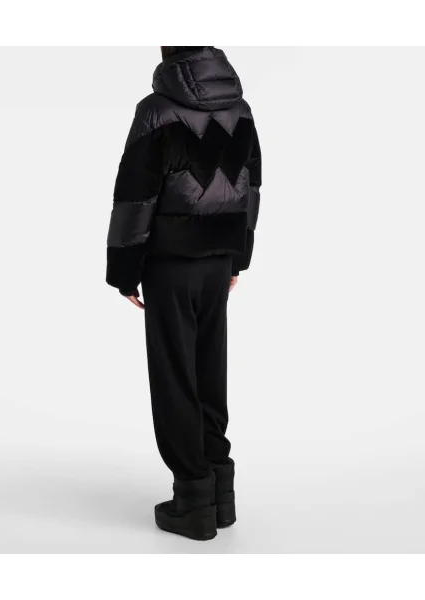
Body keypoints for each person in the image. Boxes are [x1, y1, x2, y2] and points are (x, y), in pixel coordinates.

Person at [106, 46, 261, 541]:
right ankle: (221, 495)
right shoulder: (241, 108)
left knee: (175, 375)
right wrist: (237, 257)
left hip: (170, 264)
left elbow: (135, 193)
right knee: (210, 369)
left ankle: (192, 500)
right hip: (218, 263)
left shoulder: (155, 110)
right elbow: (251, 187)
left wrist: (124, 270)